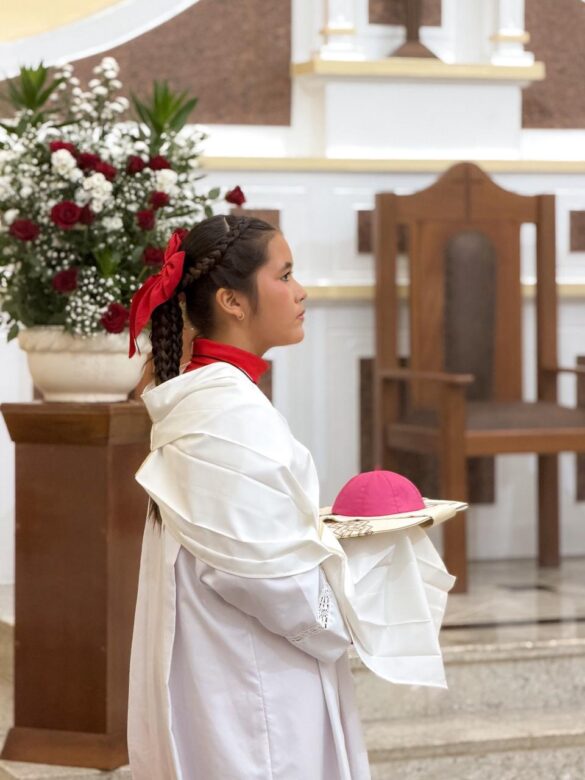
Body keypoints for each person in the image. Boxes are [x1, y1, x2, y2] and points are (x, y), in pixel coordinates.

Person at [127, 214, 372, 779]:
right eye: (284, 276)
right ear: (232, 301)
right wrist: (348, 610)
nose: (301, 291)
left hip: (240, 668)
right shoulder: (225, 414)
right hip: (257, 688)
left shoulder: (217, 398)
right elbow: (264, 577)